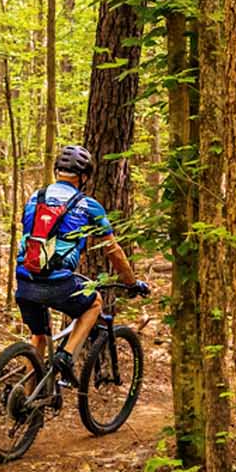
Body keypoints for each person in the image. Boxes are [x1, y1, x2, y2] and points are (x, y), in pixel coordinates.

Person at [15, 144, 148, 383]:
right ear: (84, 177)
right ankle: (66, 356)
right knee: (94, 302)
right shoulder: (88, 205)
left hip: (25, 279)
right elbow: (113, 250)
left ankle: (26, 400)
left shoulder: (35, 197)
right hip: (58, 282)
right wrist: (131, 282)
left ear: (57, 171)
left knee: (39, 337)